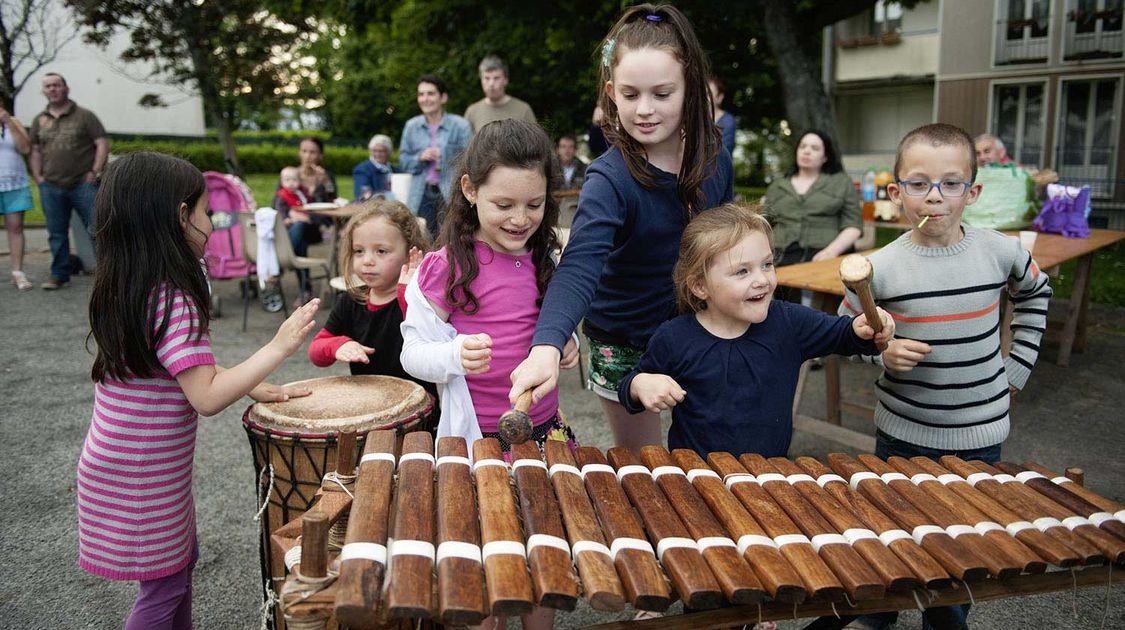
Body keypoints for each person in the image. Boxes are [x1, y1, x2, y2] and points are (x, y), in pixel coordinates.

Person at [77, 151, 319, 630]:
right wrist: (278, 346)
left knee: (178, 569)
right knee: (164, 587)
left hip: (119, 465)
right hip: (144, 477)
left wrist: (251, 384)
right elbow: (205, 397)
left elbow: (172, 370)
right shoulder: (175, 298)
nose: (212, 223)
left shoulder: (128, 284)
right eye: (207, 212)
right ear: (180, 216)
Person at [838, 123, 1052, 630]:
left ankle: (947, 621)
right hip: (903, 432)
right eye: (918, 183)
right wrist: (881, 356)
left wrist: (1015, 369)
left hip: (978, 435)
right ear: (896, 193)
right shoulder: (878, 268)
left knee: (958, 544)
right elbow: (853, 335)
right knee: (893, 532)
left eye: (951, 183)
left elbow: (1036, 295)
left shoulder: (1001, 252)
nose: (935, 196)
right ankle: (879, 613)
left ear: (972, 192)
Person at [508, 3, 733, 453]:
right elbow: (580, 263)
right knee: (642, 464)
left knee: (713, 451)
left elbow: (728, 247)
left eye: (661, 94)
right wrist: (547, 345)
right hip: (624, 340)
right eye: (630, 95)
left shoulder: (715, 158)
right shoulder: (609, 179)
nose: (644, 110)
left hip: (697, 326)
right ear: (611, 92)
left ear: (690, 88)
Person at [619, 203, 891, 457]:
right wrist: (640, 385)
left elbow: (845, 335)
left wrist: (863, 327)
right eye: (742, 272)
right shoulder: (673, 338)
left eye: (767, 264)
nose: (762, 280)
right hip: (697, 480)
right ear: (700, 286)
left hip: (767, 478)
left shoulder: (789, 323)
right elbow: (629, 386)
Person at [400, 119, 580, 464]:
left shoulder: (544, 256)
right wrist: (454, 355)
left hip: (546, 426)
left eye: (534, 205)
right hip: (479, 438)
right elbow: (412, 353)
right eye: (503, 205)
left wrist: (564, 339)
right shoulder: (446, 266)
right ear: (470, 189)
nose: (520, 219)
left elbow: (552, 316)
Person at [308, 199, 438, 408]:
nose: (368, 260)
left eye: (381, 251)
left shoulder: (422, 299)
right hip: (371, 408)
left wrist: (408, 292)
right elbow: (316, 352)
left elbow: (429, 337)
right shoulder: (351, 301)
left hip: (417, 412)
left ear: (409, 252)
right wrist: (339, 344)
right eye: (359, 251)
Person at [29, 72, 108, 290]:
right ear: (44, 91)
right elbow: (35, 149)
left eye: (56, 85)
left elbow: (101, 143)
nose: (52, 89)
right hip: (51, 186)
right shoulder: (40, 120)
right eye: (48, 86)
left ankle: (107, 275)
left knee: (97, 228)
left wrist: (95, 171)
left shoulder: (85, 116)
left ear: (66, 88)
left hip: (83, 184)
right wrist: (38, 176)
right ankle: (59, 274)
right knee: (56, 234)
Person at [765, 130, 862, 268]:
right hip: (782, 255)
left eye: (815, 148)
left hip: (824, 253)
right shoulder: (777, 186)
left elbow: (854, 226)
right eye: (802, 146)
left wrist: (831, 252)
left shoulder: (842, 183)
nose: (806, 151)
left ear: (825, 157)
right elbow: (763, 225)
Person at [399, 74, 472, 239]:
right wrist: (420, 157)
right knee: (423, 239)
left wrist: (445, 156)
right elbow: (403, 162)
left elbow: (470, 160)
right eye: (421, 94)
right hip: (421, 193)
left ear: (443, 97)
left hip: (451, 192)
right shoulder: (411, 127)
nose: (425, 98)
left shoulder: (461, 126)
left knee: (453, 239)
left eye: (430, 93)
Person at [272, 166, 318, 304]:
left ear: (299, 181)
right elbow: (280, 213)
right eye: (287, 180)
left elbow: (311, 206)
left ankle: (281, 264)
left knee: (300, 228)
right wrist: (289, 218)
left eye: (294, 180)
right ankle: (305, 290)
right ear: (281, 181)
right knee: (300, 248)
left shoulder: (302, 193)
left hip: (307, 230)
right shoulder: (281, 196)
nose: (291, 183)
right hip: (291, 232)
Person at [1, 105, 34, 290]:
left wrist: (8, 123)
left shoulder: (13, 122)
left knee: (16, 227)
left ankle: (18, 273)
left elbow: (25, 148)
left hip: (14, 184)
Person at [463, 55, 537, 133]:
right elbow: (466, 144)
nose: (491, 83)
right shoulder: (472, 112)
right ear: (481, 80)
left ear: (505, 80)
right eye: (487, 78)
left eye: (496, 78)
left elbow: (535, 142)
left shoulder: (523, 110)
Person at [352, 134, 395, 200]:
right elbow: (364, 194)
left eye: (381, 151)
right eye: (374, 151)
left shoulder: (396, 170)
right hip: (373, 207)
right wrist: (388, 196)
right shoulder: (362, 170)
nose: (377, 154)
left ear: (389, 152)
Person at [296, 136, 337, 203]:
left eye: (312, 152)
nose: (307, 156)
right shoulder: (289, 174)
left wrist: (327, 183)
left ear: (320, 155)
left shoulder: (326, 176)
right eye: (304, 151)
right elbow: (277, 203)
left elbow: (333, 200)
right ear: (299, 153)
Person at [709, 76, 736, 156]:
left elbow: (723, 153)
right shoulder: (693, 119)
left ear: (719, 98)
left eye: (709, 94)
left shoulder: (728, 121)